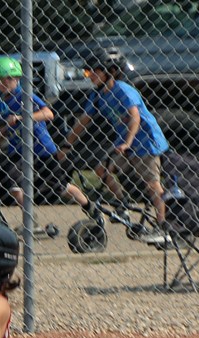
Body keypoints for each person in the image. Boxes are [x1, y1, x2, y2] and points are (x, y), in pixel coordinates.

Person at [62, 50, 170, 244]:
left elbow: (135, 117)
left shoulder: (122, 90)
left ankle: (164, 228)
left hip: (145, 141)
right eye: (87, 73)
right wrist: (67, 144)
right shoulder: (97, 95)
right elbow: (83, 121)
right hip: (124, 143)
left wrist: (128, 142)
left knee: (152, 184)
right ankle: (122, 203)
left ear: (110, 71)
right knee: (102, 168)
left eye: (93, 72)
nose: (90, 76)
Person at [0, 56, 95, 228]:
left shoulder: (25, 95)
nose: (2, 83)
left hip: (41, 149)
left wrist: (23, 117)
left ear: (17, 78)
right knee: (12, 183)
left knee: (60, 187)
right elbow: (6, 126)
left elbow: (48, 114)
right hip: (18, 150)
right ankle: (30, 221)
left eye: (7, 79)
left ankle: (90, 208)